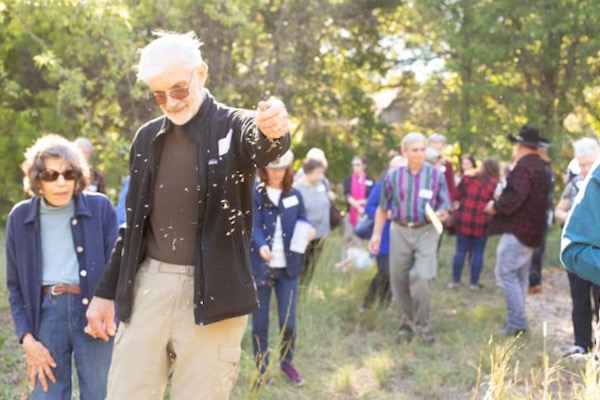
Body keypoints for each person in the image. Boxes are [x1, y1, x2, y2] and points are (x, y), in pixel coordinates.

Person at [84, 31, 291, 399]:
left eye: (178, 89)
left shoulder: (235, 125)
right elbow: (132, 226)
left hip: (217, 290)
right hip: (149, 285)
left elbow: (261, 141)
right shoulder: (146, 138)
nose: (170, 102)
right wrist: (105, 293)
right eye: (159, 94)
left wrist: (273, 128)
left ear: (202, 74)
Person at [6, 134, 118, 399]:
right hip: (46, 317)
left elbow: (119, 266)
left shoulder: (100, 208)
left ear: (78, 176)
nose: (61, 182)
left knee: (102, 394)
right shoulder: (20, 218)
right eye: (50, 175)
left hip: (95, 313)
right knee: (47, 394)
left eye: (68, 174)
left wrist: (109, 305)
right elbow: (15, 287)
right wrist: (27, 339)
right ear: (36, 180)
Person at [369, 132, 451, 344]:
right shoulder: (393, 177)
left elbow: (445, 206)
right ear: (404, 152)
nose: (420, 154)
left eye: (423, 149)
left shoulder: (436, 176)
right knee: (399, 279)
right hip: (400, 230)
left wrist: (443, 213)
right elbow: (382, 208)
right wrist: (376, 235)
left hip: (427, 230)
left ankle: (423, 325)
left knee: (423, 277)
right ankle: (406, 324)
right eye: (415, 150)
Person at [250, 150, 314, 386]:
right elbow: (253, 226)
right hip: (261, 266)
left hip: (288, 268)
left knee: (289, 323)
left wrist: (309, 229)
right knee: (260, 324)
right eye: (271, 168)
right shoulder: (256, 194)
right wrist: (260, 246)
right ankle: (261, 370)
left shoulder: (294, 194)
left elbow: (303, 219)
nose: (276, 173)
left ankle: (287, 362)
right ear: (264, 169)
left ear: (288, 169)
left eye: (280, 169)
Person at [484, 125, 551, 336]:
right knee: (520, 276)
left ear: (520, 146)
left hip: (518, 229)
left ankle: (517, 323)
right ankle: (518, 322)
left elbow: (515, 196)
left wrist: (495, 206)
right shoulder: (543, 167)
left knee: (505, 274)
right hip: (534, 231)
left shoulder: (524, 167)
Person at [556, 137, 600, 356]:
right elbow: (559, 212)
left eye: (588, 163)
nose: (585, 168)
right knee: (580, 298)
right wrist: (570, 218)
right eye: (581, 164)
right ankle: (582, 343)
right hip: (585, 250)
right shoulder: (576, 184)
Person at [360, 155, 406, 311]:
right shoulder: (381, 185)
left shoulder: (409, 188)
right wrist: (385, 214)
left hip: (402, 237)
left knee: (396, 274)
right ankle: (367, 303)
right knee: (384, 271)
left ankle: (384, 305)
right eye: (396, 168)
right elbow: (369, 207)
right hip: (384, 236)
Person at [449, 158, 500, 290]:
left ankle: (455, 281)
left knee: (460, 250)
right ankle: (473, 283)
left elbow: (456, 195)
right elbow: (497, 203)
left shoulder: (468, 180)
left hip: (464, 217)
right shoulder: (495, 184)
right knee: (478, 252)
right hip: (482, 220)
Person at [293, 158, 331, 287]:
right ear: (308, 172)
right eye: (318, 172)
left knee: (313, 264)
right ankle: (298, 289)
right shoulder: (297, 189)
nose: (321, 176)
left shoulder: (321, 185)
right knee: (303, 264)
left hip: (321, 233)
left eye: (322, 173)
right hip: (305, 235)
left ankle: (306, 287)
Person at [528, 146, 556, 294]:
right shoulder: (546, 169)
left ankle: (533, 280)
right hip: (541, 214)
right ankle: (533, 280)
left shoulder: (542, 170)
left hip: (538, 214)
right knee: (536, 249)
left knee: (535, 249)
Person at [428, 133, 457, 202]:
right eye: (434, 145)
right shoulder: (421, 163)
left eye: (439, 148)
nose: (436, 150)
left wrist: (447, 201)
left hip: (440, 201)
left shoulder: (447, 165)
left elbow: (450, 186)